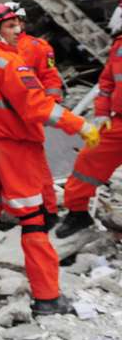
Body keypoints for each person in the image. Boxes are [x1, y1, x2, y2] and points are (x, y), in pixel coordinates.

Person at [0, 3, 98, 315]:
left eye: (18, 24)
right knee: (33, 221)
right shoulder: (10, 64)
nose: (18, 31)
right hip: (15, 149)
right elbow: (37, 106)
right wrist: (81, 125)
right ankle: (47, 298)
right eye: (10, 26)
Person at [55, 13, 122, 239]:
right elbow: (107, 83)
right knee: (87, 162)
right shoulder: (119, 46)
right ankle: (77, 213)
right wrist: (102, 113)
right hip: (118, 121)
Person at [4, 3, 65, 229]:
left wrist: (50, 107)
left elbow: (51, 79)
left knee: (37, 167)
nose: (14, 26)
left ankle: (48, 213)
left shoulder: (38, 47)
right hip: (2, 118)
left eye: (16, 21)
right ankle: (15, 211)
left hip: (28, 116)